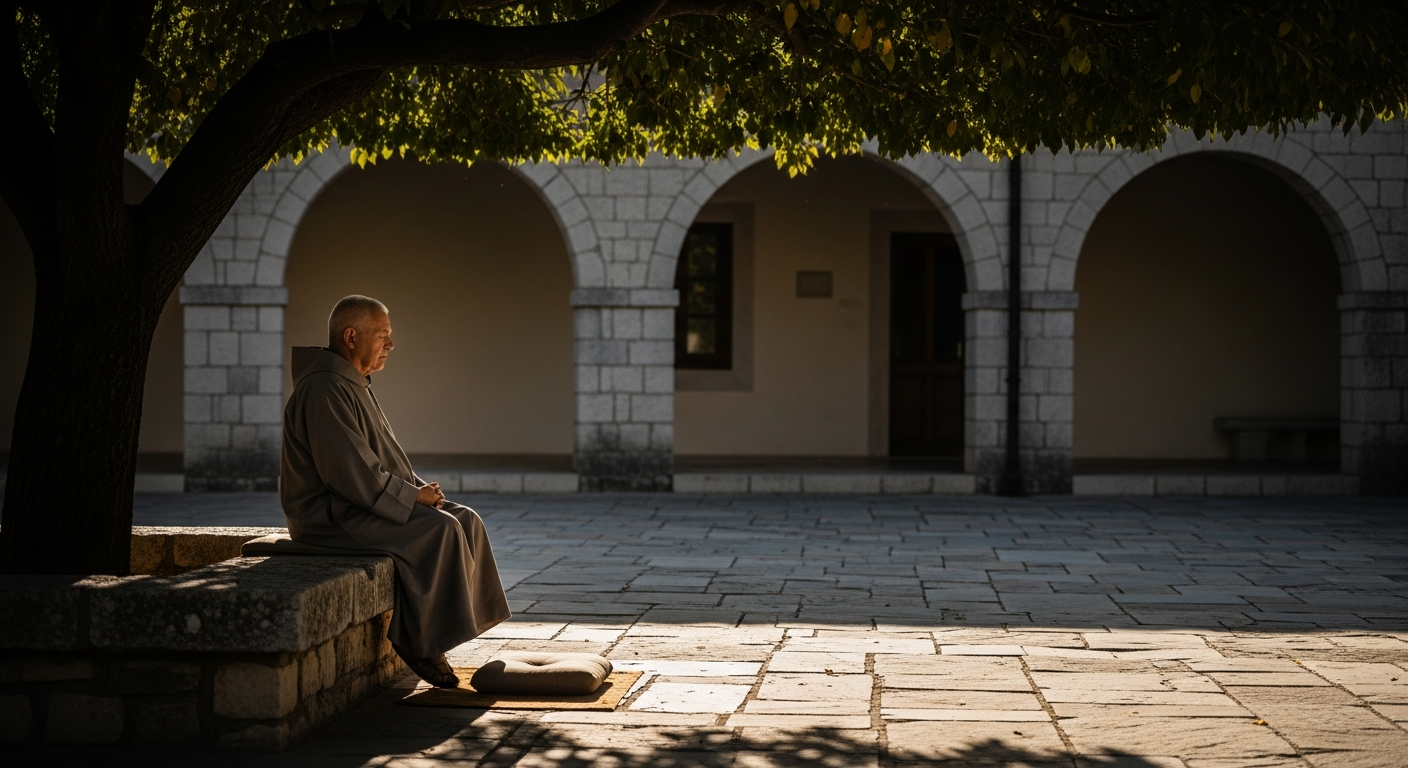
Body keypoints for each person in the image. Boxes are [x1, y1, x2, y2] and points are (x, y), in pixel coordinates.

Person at [280, 294, 511, 688]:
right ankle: (418, 642)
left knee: (465, 519)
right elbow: (349, 473)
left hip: (360, 502)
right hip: (331, 515)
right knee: (439, 530)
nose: (391, 345)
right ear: (351, 336)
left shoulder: (350, 382)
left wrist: (418, 488)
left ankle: (457, 627)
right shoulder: (324, 388)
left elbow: (382, 458)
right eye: (383, 335)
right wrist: (410, 498)